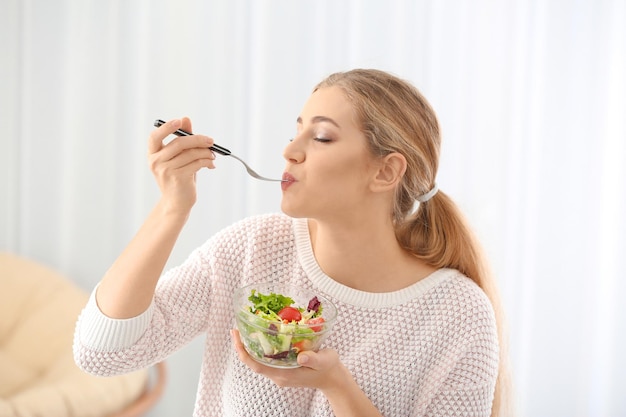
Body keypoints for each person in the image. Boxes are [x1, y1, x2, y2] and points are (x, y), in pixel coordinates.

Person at [74, 69, 510, 417]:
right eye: (295, 132)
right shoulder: (252, 249)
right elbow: (102, 353)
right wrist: (172, 208)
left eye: (320, 137)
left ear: (385, 172)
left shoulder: (458, 314)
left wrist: (336, 386)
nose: (290, 151)